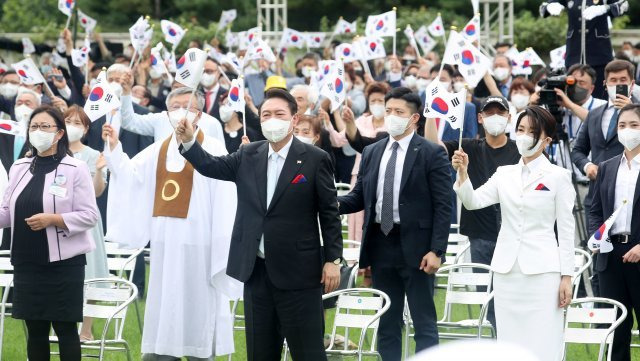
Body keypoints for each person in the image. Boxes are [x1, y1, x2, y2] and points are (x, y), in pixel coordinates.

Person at [175, 88, 342, 361]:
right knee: (260, 352)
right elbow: (211, 166)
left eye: (279, 114)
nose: (272, 119)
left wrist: (333, 259)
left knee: (308, 351)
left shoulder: (314, 158)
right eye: (266, 114)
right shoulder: (248, 154)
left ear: (294, 119)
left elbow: (329, 213)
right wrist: (190, 143)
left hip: (299, 272)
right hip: (256, 270)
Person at [101, 106, 241, 360]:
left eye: (186, 108)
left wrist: (222, 242)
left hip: (202, 245)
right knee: (167, 299)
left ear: (198, 116)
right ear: (167, 116)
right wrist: (114, 148)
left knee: (199, 304)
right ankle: (164, 351)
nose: (180, 113)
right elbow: (131, 176)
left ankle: (199, 352)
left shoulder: (214, 148)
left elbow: (225, 197)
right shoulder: (158, 150)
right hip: (165, 244)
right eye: (174, 108)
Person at [452, 106, 575, 361]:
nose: (524, 136)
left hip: (543, 272)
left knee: (543, 339)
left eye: (532, 131)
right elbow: (473, 201)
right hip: (507, 271)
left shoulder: (559, 176)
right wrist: (463, 173)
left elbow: (566, 230)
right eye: (520, 129)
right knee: (509, 341)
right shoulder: (504, 174)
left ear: (546, 140)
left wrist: (567, 276)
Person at [338, 87, 452, 361]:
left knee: (423, 321)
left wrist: (437, 250)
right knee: (387, 321)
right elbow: (359, 197)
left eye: (399, 112)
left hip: (418, 248)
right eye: (388, 111)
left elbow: (443, 205)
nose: (392, 117)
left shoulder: (431, 153)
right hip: (381, 244)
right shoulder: (373, 151)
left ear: (414, 118)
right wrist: (329, 203)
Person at [1, 106, 99, 361]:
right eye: (34, 127)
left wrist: (54, 219)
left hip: (63, 263)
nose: (39, 131)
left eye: (45, 127)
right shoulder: (19, 167)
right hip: (26, 260)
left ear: (59, 134)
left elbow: (90, 215)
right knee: (35, 330)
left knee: (65, 329)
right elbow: (7, 212)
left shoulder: (74, 168)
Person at [425, 95, 521, 330]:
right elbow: (433, 147)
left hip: (514, 235)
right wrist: (431, 112)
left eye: (500, 112)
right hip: (480, 234)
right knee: (487, 301)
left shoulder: (520, 150)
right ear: (480, 118)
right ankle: (495, 344)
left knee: (514, 300)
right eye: (489, 113)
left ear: (509, 118)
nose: (495, 118)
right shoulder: (466, 147)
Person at [589, 104, 640, 361]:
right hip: (610, 256)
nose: (627, 131)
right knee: (615, 330)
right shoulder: (607, 166)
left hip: (639, 252)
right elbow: (594, 208)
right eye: (622, 125)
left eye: (634, 125)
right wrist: (597, 237)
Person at [63, 105, 109, 341]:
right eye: (68, 121)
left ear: (86, 128)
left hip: (86, 220)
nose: (72, 126)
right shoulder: (52, 152)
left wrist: (99, 172)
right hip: (59, 220)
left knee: (89, 271)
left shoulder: (93, 155)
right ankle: (62, 323)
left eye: (77, 122)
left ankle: (86, 328)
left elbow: (96, 192)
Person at [572, 59, 636, 227]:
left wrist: (631, 112)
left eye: (623, 80)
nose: (618, 84)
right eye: (613, 80)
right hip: (597, 197)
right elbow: (578, 150)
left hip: (632, 198)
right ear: (605, 84)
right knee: (597, 249)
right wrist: (588, 166)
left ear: (632, 84)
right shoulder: (594, 114)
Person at [540, 0, 629, 99]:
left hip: (599, 54)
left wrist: (605, 8)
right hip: (574, 54)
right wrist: (549, 6)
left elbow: (624, 4)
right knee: (573, 95)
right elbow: (543, 7)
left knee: (600, 97)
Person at [118, 72, 225, 145]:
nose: (179, 91)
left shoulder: (212, 123)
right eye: (176, 88)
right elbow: (129, 122)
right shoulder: (160, 119)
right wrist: (126, 93)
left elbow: (220, 160)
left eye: (184, 88)